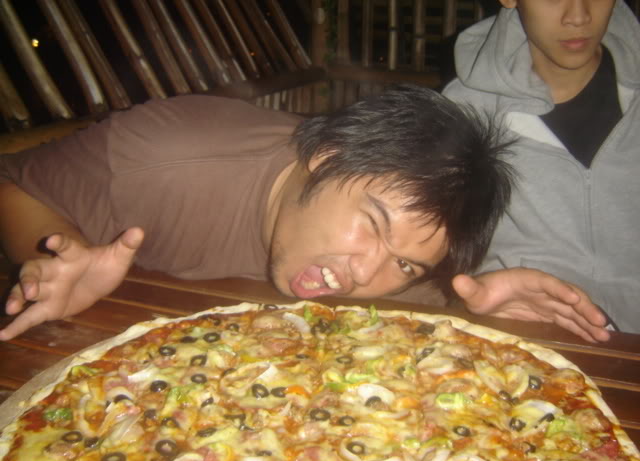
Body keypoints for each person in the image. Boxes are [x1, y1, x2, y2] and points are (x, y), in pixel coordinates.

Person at [0, 84, 515, 341]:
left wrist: (484, 303)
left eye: (403, 264)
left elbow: (437, 292)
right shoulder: (162, 157)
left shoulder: (398, 264)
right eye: (374, 225)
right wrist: (60, 251)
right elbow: (10, 182)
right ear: (325, 157)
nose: (364, 274)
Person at [442, 0, 640, 340]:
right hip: (523, 341)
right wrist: (471, 298)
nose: (578, 16)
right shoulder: (466, 111)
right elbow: (437, 249)